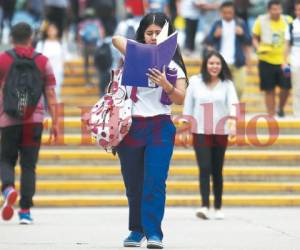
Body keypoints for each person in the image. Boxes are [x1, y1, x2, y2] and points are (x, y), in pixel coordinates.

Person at [112, 12, 187, 249]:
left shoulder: (175, 66)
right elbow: (115, 39)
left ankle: (154, 232)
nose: (154, 37)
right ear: (142, 35)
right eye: (150, 33)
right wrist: (142, 51)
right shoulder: (132, 59)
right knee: (133, 183)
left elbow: (180, 98)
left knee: (155, 181)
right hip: (131, 127)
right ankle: (136, 230)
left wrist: (166, 84)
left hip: (160, 126)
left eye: (159, 33)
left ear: (169, 37)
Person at [0, 22, 59, 224]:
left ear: (11, 38)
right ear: (31, 38)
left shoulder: (3, 59)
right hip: (34, 120)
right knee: (28, 165)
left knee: (5, 159)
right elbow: (50, 93)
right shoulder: (42, 61)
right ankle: (25, 211)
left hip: (8, 119)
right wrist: (56, 122)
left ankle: (8, 188)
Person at [182, 50, 238, 220]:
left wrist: (233, 122)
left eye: (218, 64)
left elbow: (234, 105)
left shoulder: (227, 84)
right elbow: (188, 106)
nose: (214, 66)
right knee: (204, 168)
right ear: (206, 65)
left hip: (221, 132)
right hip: (200, 131)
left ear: (222, 66)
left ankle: (218, 207)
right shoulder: (195, 82)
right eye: (211, 63)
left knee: (217, 170)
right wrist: (185, 127)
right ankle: (204, 206)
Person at [252, 0, 292, 117]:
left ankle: (280, 108)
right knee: (269, 89)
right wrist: (258, 48)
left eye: (279, 9)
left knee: (286, 87)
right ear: (268, 10)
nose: (277, 12)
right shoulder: (261, 21)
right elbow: (254, 38)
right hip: (266, 60)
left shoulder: (288, 20)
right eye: (274, 9)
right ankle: (271, 113)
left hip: (285, 61)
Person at [205, 1, 252, 99]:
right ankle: (225, 110)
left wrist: (242, 34)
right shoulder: (217, 24)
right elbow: (208, 41)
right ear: (220, 13)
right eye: (224, 12)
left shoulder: (240, 23)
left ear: (234, 12)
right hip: (221, 63)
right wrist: (214, 35)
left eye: (229, 12)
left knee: (239, 88)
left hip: (238, 62)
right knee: (221, 89)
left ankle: (234, 107)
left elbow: (248, 41)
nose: (227, 15)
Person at [36, 22, 64, 101]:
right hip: (44, 73)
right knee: (43, 95)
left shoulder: (60, 43)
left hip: (57, 73)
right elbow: (37, 58)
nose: (52, 32)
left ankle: (56, 112)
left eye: (53, 30)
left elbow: (63, 58)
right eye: (50, 30)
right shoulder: (41, 44)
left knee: (56, 94)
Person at [284, 0, 300, 117]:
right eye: (297, 10)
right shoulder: (291, 25)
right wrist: (285, 61)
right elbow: (287, 45)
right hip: (296, 61)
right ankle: (297, 114)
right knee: (297, 89)